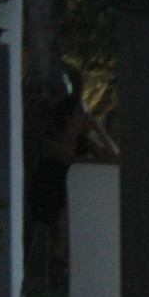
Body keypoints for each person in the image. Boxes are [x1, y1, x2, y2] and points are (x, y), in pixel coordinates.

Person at [27, 95, 120, 283]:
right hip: (48, 194)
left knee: (80, 205)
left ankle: (74, 262)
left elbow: (115, 158)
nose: (84, 118)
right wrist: (96, 163)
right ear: (68, 117)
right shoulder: (50, 140)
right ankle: (60, 254)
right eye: (81, 114)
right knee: (69, 206)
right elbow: (70, 160)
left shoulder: (84, 141)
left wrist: (98, 130)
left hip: (77, 197)